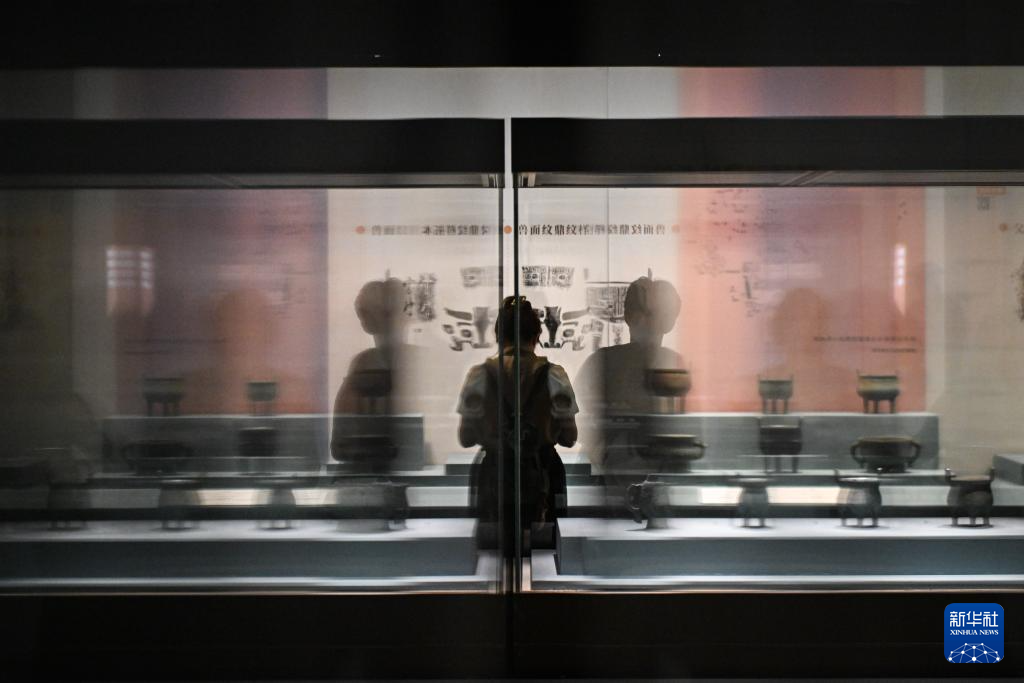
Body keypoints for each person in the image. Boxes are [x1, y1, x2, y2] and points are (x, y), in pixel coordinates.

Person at [456, 295, 578, 545]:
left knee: (493, 549)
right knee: (546, 550)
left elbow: (466, 438)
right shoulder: (555, 375)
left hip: (495, 475)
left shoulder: (479, 376)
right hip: (544, 474)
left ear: (498, 335)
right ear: (537, 336)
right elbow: (569, 438)